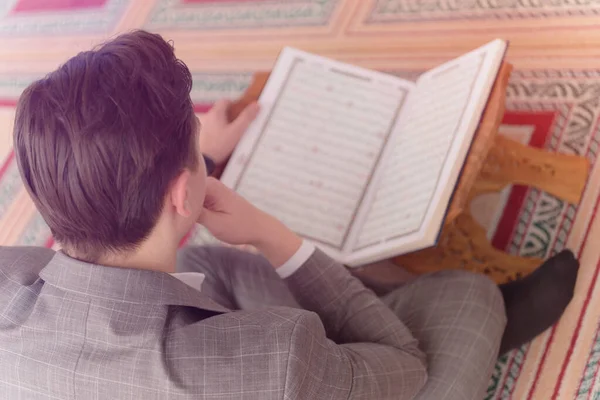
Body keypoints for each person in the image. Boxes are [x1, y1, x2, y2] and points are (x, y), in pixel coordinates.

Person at [0, 30, 579, 400]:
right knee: (467, 302)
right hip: (321, 376)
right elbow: (405, 365)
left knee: (202, 264)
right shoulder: (279, 360)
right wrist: (275, 238)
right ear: (183, 196)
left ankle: (364, 319)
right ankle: (489, 320)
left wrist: (198, 159)